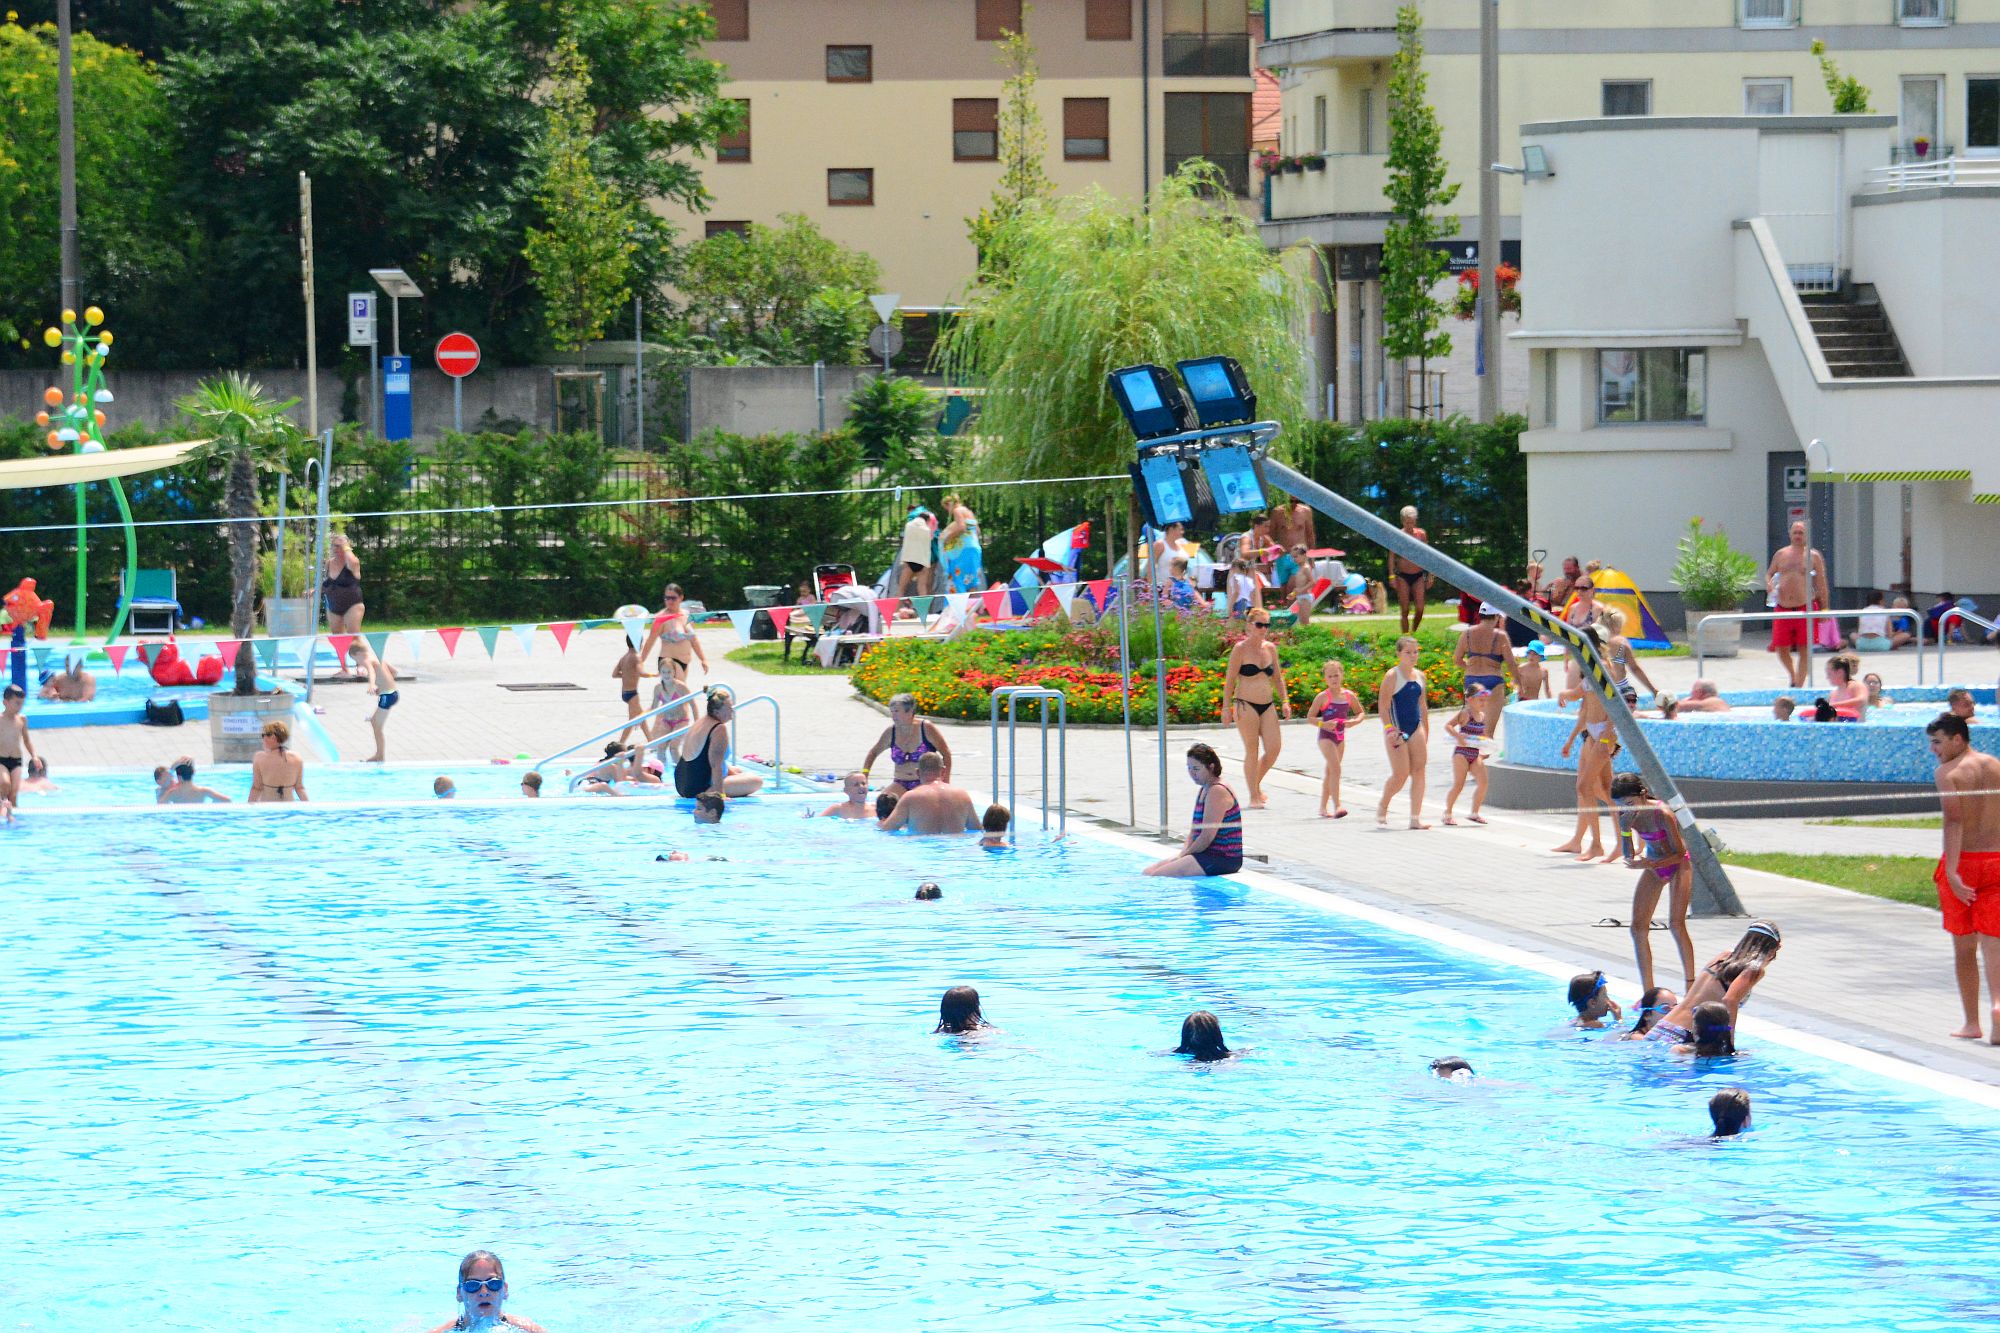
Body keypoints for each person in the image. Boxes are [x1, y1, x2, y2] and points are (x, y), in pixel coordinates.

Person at [1928, 711, 2000, 1042]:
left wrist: (1954, 873)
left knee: (1964, 947)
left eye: (1938, 742)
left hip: (1965, 863)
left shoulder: (1948, 773)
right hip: (1996, 860)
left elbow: (1953, 822)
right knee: (1994, 943)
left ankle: (1972, 1023)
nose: (1934, 750)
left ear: (1958, 739)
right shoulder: (1995, 765)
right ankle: (1999, 1004)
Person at [1611, 773, 1696, 992]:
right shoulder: (1626, 815)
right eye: (1621, 805)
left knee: (1676, 925)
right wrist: (1625, 830)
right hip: (1654, 865)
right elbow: (1628, 857)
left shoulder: (1663, 813)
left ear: (1641, 794)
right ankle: (1648, 992)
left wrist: (1649, 864)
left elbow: (1680, 853)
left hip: (1677, 865)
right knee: (1637, 929)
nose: (1627, 809)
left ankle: (1690, 986)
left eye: (1629, 803)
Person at [1650, 921, 1783, 1045]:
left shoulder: (1724, 956)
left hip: (1661, 1027)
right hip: (1683, 1035)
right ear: (1771, 949)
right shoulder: (1754, 970)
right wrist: (1729, 1043)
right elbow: (1730, 1000)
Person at [1222, 610, 1290, 809]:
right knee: (1252, 749)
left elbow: (1278, 677)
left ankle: (1255, 783)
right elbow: (1230, 680)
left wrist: (1285, 700)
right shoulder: (1240, 649)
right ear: (1250, 625)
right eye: (1260, 625)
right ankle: (1253, 796)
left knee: (1274, 748)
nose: (1264, 629)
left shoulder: (1270, 648)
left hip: (1267, 704)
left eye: (1267, 625)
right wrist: (1226, 707)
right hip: (1245, 703)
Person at [1145, 743, 1243, 877]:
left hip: (1224, 858)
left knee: (1159, 875)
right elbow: (1194, 832)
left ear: (1211, 767)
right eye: (1189, 768)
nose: (1192, 773)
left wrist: (1184, 856)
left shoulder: (1217, 790)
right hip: (1206, 853)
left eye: (1196, 768)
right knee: (1149, 872)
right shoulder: (1204, 788)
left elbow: (1206, 837)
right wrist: (1182, 853)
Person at [1553, 681, 1617, 861]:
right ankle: (1579, 840)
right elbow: (1583, 708)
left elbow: (1618, 705)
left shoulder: (1604, 673)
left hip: (1604, 736)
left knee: (1592, 788)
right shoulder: (1590, 676)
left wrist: (1608, 733)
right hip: (1592, 734)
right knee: (1588, 789)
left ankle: (1603, 842)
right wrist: (1571, 740)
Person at [1766, 521, 1829, 689]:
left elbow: (1821, 584)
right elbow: (1769, 573)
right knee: (1781, 648)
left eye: (1801, 532)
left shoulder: (1813, 556)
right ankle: (1793, 676)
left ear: (1806, 535)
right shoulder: (1781, 554)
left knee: (1805, 649)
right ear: (1790, 534)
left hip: (1805, 607)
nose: (1798, 535)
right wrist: (1769, 584)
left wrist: (1824, 608)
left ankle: (1799, 686)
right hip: (1783, 607)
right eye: (1795, 532)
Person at [1377, 636, 1431, 829]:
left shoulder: (1420, 676)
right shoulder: (1392, 676)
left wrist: (1426, 730)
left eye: (1415, 651)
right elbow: (1383, 707)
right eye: (1408, 652)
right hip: (1397, 729)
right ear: (1399, 654)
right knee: (1401, 775)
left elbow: (1422, 706)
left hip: (1416, 729)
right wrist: (1389, 729)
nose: (1413, 656)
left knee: (1419, 771)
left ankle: (1415, 818)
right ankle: (1383, 804)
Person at [424, 1249, 546, 1333]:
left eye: (493, 1284)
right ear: (459, 1293)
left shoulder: (528, 1330)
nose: (484, 1292)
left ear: (505, 1290)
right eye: (472, 1285)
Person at [673, 689, 763, 799]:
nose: (732, 711)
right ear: (716, 712)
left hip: (682, 782)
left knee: (737, 771)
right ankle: (713, 791)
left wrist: (733, 774)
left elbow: (708, 759)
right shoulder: (719, 729)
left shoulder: (701, 722)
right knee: (756, 781)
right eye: (729, 708)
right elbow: (716, 765)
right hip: (698, 789)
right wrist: (720, 795)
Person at [861, 692, 954, 796]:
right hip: (900, 782)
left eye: (896, 711)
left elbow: (946, 753)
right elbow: (873, 753)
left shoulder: (926, 728)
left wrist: (946, 781)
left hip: (925, 783)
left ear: (909, 711)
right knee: (884, 803)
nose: (893, 715)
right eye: (892, 712)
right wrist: (865, 774)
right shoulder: (891, 732)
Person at [1307, 659, 1362, 819]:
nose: (1333, 679)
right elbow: (1310, 717)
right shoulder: (1323, 697)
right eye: (1330, 676)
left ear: (1342, 675)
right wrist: (1323, 724)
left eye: (1336, 675)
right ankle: (1337, 805)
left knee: (1331, 771)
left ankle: (1323, 808)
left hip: (1340, 737)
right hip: (1326, 737)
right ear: (1325, 678)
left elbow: (1360, 713)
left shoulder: (1348, 695)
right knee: (1336, 769)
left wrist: (1354, 722)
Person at [877, 752, 979, 834]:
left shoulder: (910, 797)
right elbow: (977, 829)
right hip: (954, 852)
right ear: (943, 771)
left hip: (923, 852)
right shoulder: (963, 796)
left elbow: (887, 830)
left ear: (917, 772)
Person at [636, 584, 710, 690]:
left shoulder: (687, 615)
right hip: (669, 662)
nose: (669, 601)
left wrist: (703, 659)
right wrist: (640, 662)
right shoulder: (661, 618)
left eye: (673, 598)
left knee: (673, 697)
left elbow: (693, 640)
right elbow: (650, 641)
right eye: (667, 598)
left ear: (681, 598)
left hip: (684, 662)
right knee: (681, 694)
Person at [1454, 602, 1515, 730]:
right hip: (1493, 679)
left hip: (1471, 680)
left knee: (1470, 729)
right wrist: (1519, 682)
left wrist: (1470, 668)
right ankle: (1485, 750)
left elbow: (1457, 659)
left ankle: (1468, 750)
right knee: (1488, 732)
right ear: (1496, 617)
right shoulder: (1500, 636)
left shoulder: (1467, 633)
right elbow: (1511, 663)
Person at [1440, 687, 1492, 827]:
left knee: (1484, 782)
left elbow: (1481, 735)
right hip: (1461, 753)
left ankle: (1474, 813)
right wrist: (1458, 736)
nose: (1483, 703)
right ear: (1470, 700)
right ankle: (1447, 813)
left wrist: (1485, 746)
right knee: (1459, 784)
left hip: (1475, 754)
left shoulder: (1482, 715)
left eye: (1485, 700)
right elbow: (1448, 726)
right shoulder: (1465, 714)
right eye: (1480, 700)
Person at [1593, 608, 1657, 710]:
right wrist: (1653, 690)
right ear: (1616, 626)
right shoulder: (1621, 642)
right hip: (1621, 687)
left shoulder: (1594, 642)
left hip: (1600, 687)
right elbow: (1635, 669)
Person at [321, 531, 365, 678]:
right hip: (334, 605)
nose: (336, 549)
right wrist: (315, 590)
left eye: (340, 546)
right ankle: (343, 668)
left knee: (354, 636)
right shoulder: (330, 563)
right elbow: (328, 583)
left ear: (347, 547)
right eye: (334, 546)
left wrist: (346, 548)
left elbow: (353, 562)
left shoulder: (352, 562)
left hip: (353, 604)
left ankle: (361, 666)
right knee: (338, 638)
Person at [354, 636, 399, 763]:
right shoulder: (378, 659)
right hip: (392, 693)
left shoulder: (368, 661)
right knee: (375, 722)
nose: (358, 664)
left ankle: (380, 756)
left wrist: (372, 685)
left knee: (376, 725)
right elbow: (394, 672)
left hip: (387, 696)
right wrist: (384, 685)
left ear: (358, 654)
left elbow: (372, 673)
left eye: (356, 660)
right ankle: (379, 755)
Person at [1388, 506, 1430, 633]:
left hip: (1418, 575)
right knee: (1405, 609)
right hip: (1402, 575)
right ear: (1402, 521)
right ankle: (1405, 636)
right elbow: (1391, 557)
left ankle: (1413, 633)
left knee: (1420, 609)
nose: (1410, 525)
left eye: (1412, 522)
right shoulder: (1398, 535)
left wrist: (1431, 575)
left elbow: (1429, 555)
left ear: (1415, 521)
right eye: (1407, 522)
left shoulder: (1421, 534)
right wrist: (1391, 576)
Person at [250, 720, 308, 802]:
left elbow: (256, 788)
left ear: (274, 737)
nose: (263, 738)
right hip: (288, 807)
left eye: (265, 735)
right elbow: (299, 788)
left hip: (267, 807)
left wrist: (248, 810)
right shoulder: (297, 758)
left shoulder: (259, 757)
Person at [938, 493, 984, 595]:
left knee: (958, 578)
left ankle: (959, 607)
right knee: (971, 581)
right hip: (974, 549)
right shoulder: (969, 512)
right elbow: (977, 530)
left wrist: (948, 538)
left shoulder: (957, 511)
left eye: (946, 508)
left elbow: (961, 527)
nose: (948, 511)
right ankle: (973, 609)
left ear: (949, 504)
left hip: (964, 550)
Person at [889, 505, 937, 600]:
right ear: (927, 520)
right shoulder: (927, 530)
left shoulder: (908, 525)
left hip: (909, 561)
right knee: (922, 589)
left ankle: (895, 612)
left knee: (901, 590)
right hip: (922, 563)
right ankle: (923, 613)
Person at [0, 684, 36, 807]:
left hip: (16, 761)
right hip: (1, 760)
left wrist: (34, 756)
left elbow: (27, 740)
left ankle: (13, 819)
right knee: (5, 783)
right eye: (17, 703)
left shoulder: (22, 719)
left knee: (14, 793)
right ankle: (2, 807)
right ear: (5, 702)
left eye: (22, 704)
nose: (20, 707)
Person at [612, 641, 644, 746]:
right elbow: (641, 672)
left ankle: (652, 741)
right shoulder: (636, 657)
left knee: (641, 718)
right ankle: (620, 744)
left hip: (625, 693)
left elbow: (614, 674)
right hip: (633, 694)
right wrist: (655, 674)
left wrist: (626, 675)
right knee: (634, 720)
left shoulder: (623, 658)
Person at [158, 758, 230, 804]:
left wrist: (172, 769)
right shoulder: (204, 791)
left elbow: (158, 806)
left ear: (178, 776)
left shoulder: (172, 793)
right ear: (194, 772)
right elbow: (227, 800)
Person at [1825, 653, 1867, 722]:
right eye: (1853, 664)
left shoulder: (1856, 686)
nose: (1856, 667)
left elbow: (1861, 700)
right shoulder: (1834, 692)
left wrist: (1834, 705)